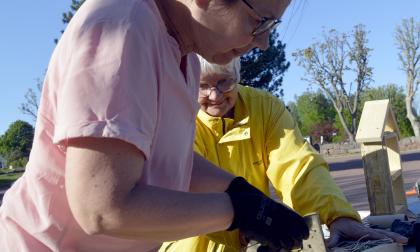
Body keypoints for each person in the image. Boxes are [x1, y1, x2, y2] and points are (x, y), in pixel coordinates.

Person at [0, 0, 311, 251]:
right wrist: (240, 212)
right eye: (260, 22)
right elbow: (103, 208)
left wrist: (244, 195)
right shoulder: (122, 28)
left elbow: (169, 160)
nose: (265, 42)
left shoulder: (184, 54)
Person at [160, 57, 408, 251]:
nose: (214, 96)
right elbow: (185, 193)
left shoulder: (265, 109)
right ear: (188, 80)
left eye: (224, 82)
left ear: (237, 74)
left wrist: (337, 215)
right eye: (202, 85)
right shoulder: (177, 116)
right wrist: (253, 223)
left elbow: (298, 166)